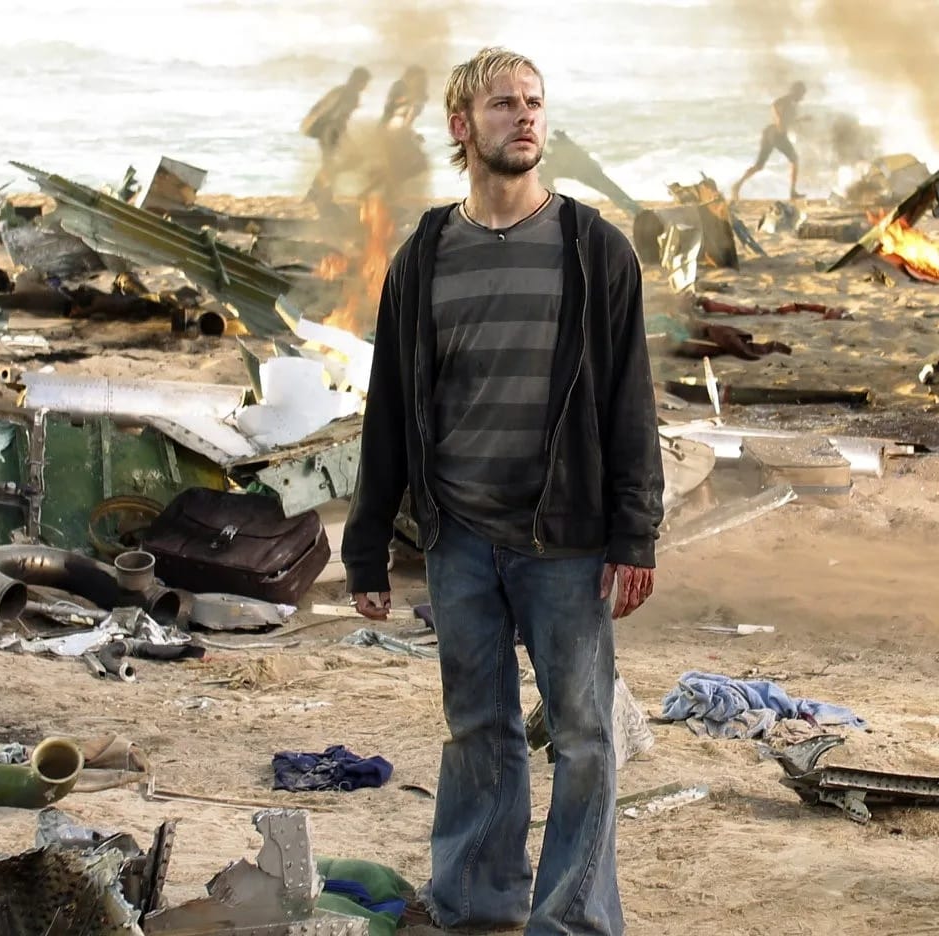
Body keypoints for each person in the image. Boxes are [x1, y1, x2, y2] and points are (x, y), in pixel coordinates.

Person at [340, 46, 664, 936]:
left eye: (534, 102)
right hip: (459, 536)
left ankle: (572, 919)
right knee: (477, 727)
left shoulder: (594, 250)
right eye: (502, 104)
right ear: (461, 126)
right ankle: (478, 905)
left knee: (584, 736)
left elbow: (631, 402)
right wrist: (367, 547)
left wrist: (635, 535)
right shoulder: (424, 256)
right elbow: (390, 410)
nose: (524, 116)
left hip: (567, 538)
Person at [301, 66, 371, 202]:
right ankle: (318, 193)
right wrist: (344, 137)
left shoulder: (339, 90)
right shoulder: (352, 95)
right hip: (332, 131)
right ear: (360, 81)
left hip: (325, 130)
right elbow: (339, 118)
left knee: (330, 163)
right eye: (365, 83)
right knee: (352, 159)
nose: (366, 87)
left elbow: (319, 107)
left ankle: (316, 193)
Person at [731, 80, 808, 202]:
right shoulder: (788, 100)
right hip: (777, 135)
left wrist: (802, 120)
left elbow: (788, 121)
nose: (802, 97)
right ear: (797, 92)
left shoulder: (792, 104)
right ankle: (792, 192)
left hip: (769, 132)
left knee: (759, 166)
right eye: (802, 93)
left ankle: (737, 185)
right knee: (795, 160)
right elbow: (775, 105)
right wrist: (778, 117)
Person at [381, 65, 429, 129]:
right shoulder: (398, 86)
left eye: (422, 80)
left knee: (416, 106)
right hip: (390, 120)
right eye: (418, 79)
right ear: (409, 77)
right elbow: (391, 104)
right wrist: (410, 98)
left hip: (405, 122)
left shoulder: (420, 91)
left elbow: (416, 111)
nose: (420, 82)